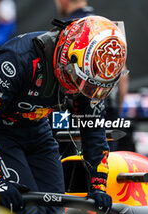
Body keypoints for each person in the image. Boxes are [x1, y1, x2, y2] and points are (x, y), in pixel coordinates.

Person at [0, 15, 127, 214]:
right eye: (82, 81)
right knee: (26, 213)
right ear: (69, 57)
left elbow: (92, 129)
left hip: (39, 132)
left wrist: (98, 185)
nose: (83, 90)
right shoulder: (18, 59)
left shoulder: (88, 70)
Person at [54, 0, 129, 151]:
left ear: (64, 2)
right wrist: (115, 114)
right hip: (107, 114)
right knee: (104, 165)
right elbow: (123, 76)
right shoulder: (105, 27)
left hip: (73, 118)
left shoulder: (68, 30)